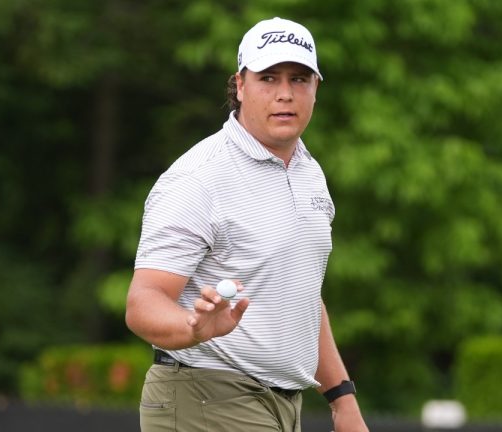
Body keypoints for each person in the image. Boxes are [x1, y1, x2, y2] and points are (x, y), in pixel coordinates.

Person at [125, 16, 369, 432]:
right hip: (206, 394)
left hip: (280, 404)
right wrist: (193, 328)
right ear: (239, 86)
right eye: (268, 78)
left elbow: (302, 295)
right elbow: (142, 302)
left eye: (299, 79)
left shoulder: (308, 172)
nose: (285, 94)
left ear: (316, 88)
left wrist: (342, 398)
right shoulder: (199, 178)